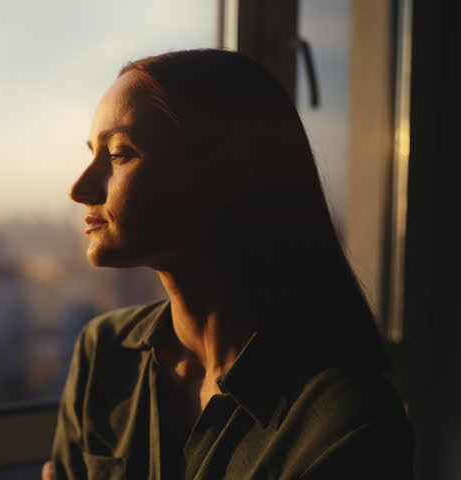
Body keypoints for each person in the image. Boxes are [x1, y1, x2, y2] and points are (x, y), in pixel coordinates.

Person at [42, 49, 415, 479]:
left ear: (228, 172)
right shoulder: (105, 352)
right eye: (93, 152)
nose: (80, 187)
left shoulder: (346, 421)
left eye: (120, 154)